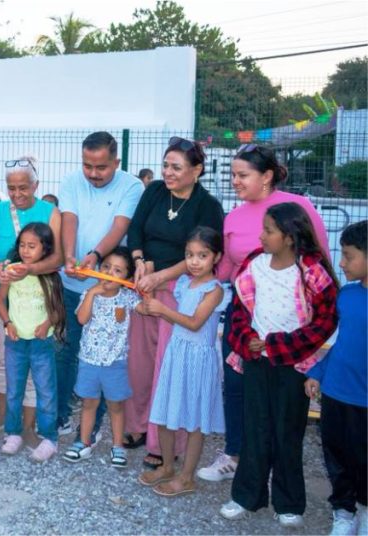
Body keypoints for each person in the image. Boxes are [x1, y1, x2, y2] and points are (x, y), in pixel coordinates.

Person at [198, 144, 330, 483]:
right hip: (245, 316)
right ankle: (234, 454)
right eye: (233, 174)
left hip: (289, 322)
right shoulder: (233, 216)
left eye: (242, 175)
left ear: (267, 176)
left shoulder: (297, 207)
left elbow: (321, 260)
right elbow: (226, 269)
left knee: (282, 395)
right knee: (236, 385)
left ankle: (276, 464)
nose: (235, 181)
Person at [220, 203, 339, 527]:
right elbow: (239, 310)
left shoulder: (312, 270)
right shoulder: (254, 264)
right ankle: (247, 496)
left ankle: (289, 502)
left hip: (294, 366)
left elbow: (325, 321)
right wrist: (247, 339)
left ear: (289, 237)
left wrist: (276, 344)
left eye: (268, 230)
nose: (261, 236)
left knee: (288, 432)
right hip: (255, 362)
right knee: (254, 428)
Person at [126, 136, 223, 469]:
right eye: (165, 165)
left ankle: (163, 444)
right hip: (144, 284)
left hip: (180, 289)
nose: (167, 172)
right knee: (139, 363)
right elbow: (136, 230)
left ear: (196, 170)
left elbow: (202, 255)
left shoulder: (207, 206)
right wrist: (139, 261)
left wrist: (162, 276)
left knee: (167, 368)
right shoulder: (154, 191)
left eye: (176, 167)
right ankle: (138, 425)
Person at [59, 132, 144, 442]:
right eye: (87, 166)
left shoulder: (132, 186)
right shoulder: (71, 181)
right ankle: (61, 415)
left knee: (107, 355)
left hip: (109, 289)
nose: (93, 173)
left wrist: (95, 257)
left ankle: (94, 425)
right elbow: (69, 220)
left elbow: (120, 227)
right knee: (67, 349)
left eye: (101, 167)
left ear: (116, 162)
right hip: (72, 283)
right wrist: (70, 255)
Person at [138, 227, 227, 496]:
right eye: (189, 255)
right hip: (176, 354)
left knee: (194, 421)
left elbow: (195, 323)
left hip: (198, 360)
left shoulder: (215, 290)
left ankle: (187, 477)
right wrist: (146, 303)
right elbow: (157, 299)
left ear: (216, 257)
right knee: (165, 412)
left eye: (202, 255)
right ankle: (167, 467)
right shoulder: (184, 283)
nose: (194, 261)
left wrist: (163, 310)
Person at [0, 156, 62, 436]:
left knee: (34, 368)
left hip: (37, 304)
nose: (16, 194)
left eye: (23, 188)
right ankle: (6, 416)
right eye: (11, 188)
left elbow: (58, 258)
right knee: (3, 360)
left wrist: (28, 269)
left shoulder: (51, 213)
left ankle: (28, 424)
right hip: (2, 300)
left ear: (35, 185)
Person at [305, 220, 366, 535]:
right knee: (336, 455)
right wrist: (317, 372)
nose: (341, 263)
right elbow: (342, 344)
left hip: (364, 399)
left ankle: (364, 512)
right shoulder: (347, 296)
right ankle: (343, 512)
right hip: (335, 393)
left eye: (349, 256)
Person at [0, 222, 65, 461]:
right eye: (22, 245)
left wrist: (47, 324)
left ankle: (49, 438)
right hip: (15, 341)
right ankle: (12, 433)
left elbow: (58, 308)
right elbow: (0, 300)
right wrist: (7, 323)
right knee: (14, 390)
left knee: (46, 391)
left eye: (32, 246)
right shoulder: (12, 271)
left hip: (41, 343)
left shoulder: (50, 274)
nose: (25, 250)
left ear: (45, 249)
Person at [63, 246, 139, 468]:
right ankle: (83, 442)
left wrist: (145, 288)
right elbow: (81, 319)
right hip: (89, 361)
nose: (109, 273)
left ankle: (118, 445)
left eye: (117, 270)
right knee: (89, 403)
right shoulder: (89, 293)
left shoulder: (127, 297)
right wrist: (92, 294)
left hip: (115, 362)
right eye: (106, 267)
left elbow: (145, 308)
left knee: (116, 406)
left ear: (126, 278)